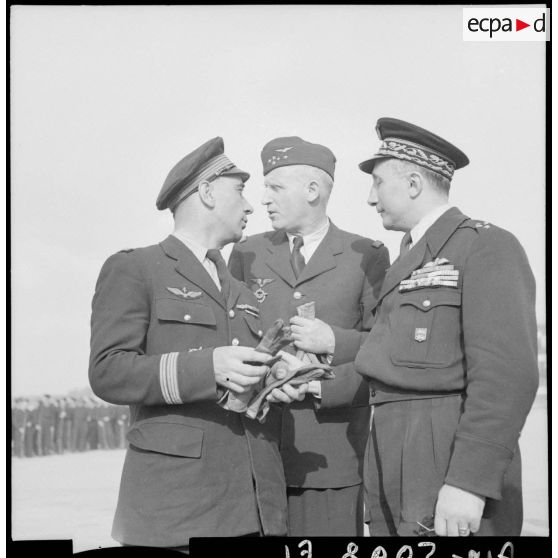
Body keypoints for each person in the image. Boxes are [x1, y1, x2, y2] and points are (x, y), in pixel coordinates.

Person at [89, 137, 307, 551]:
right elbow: (108, 372)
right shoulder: (135, 268)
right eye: (239, 190)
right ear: (206, 191)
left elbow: (242, 384)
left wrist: (275, 379)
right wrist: (208, 368)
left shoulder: (241, 291)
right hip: (177, 509)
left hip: (254, 503)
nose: (250, 206)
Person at [353, 117, 539, 536]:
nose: (369, 197)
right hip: (394, 451)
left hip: (447, 455)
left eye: (378, 182)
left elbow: (507, 377)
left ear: (414, 182)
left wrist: (468, 483)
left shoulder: (485, 245)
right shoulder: (408, 254)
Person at [229, 136, 390, 536]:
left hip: (331, 458)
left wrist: (331, 343)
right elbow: (231, 336)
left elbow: (384, 348)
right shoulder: (247, 253)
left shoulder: (364, 254)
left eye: (276, 188)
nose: (263, 199)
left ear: (313, 191)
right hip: (256, 450)